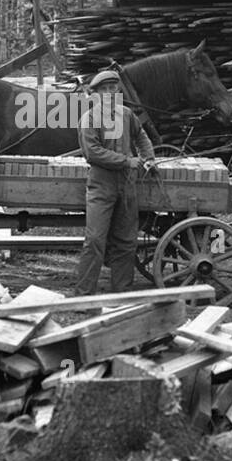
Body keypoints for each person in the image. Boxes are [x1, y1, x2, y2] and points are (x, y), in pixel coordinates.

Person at [73, 68, 156, 296]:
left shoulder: (126, 115)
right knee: (95, 240)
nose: (110, 93)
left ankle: (122, 293)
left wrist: (148, 159)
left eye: (113, 88)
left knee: (126, 240)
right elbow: (92, 153)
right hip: (101, 185)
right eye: (105, 89)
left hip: (127, 186)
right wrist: (125, 161)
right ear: (96, 94)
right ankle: (83, 294)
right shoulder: (89, 119)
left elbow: (141, 136)